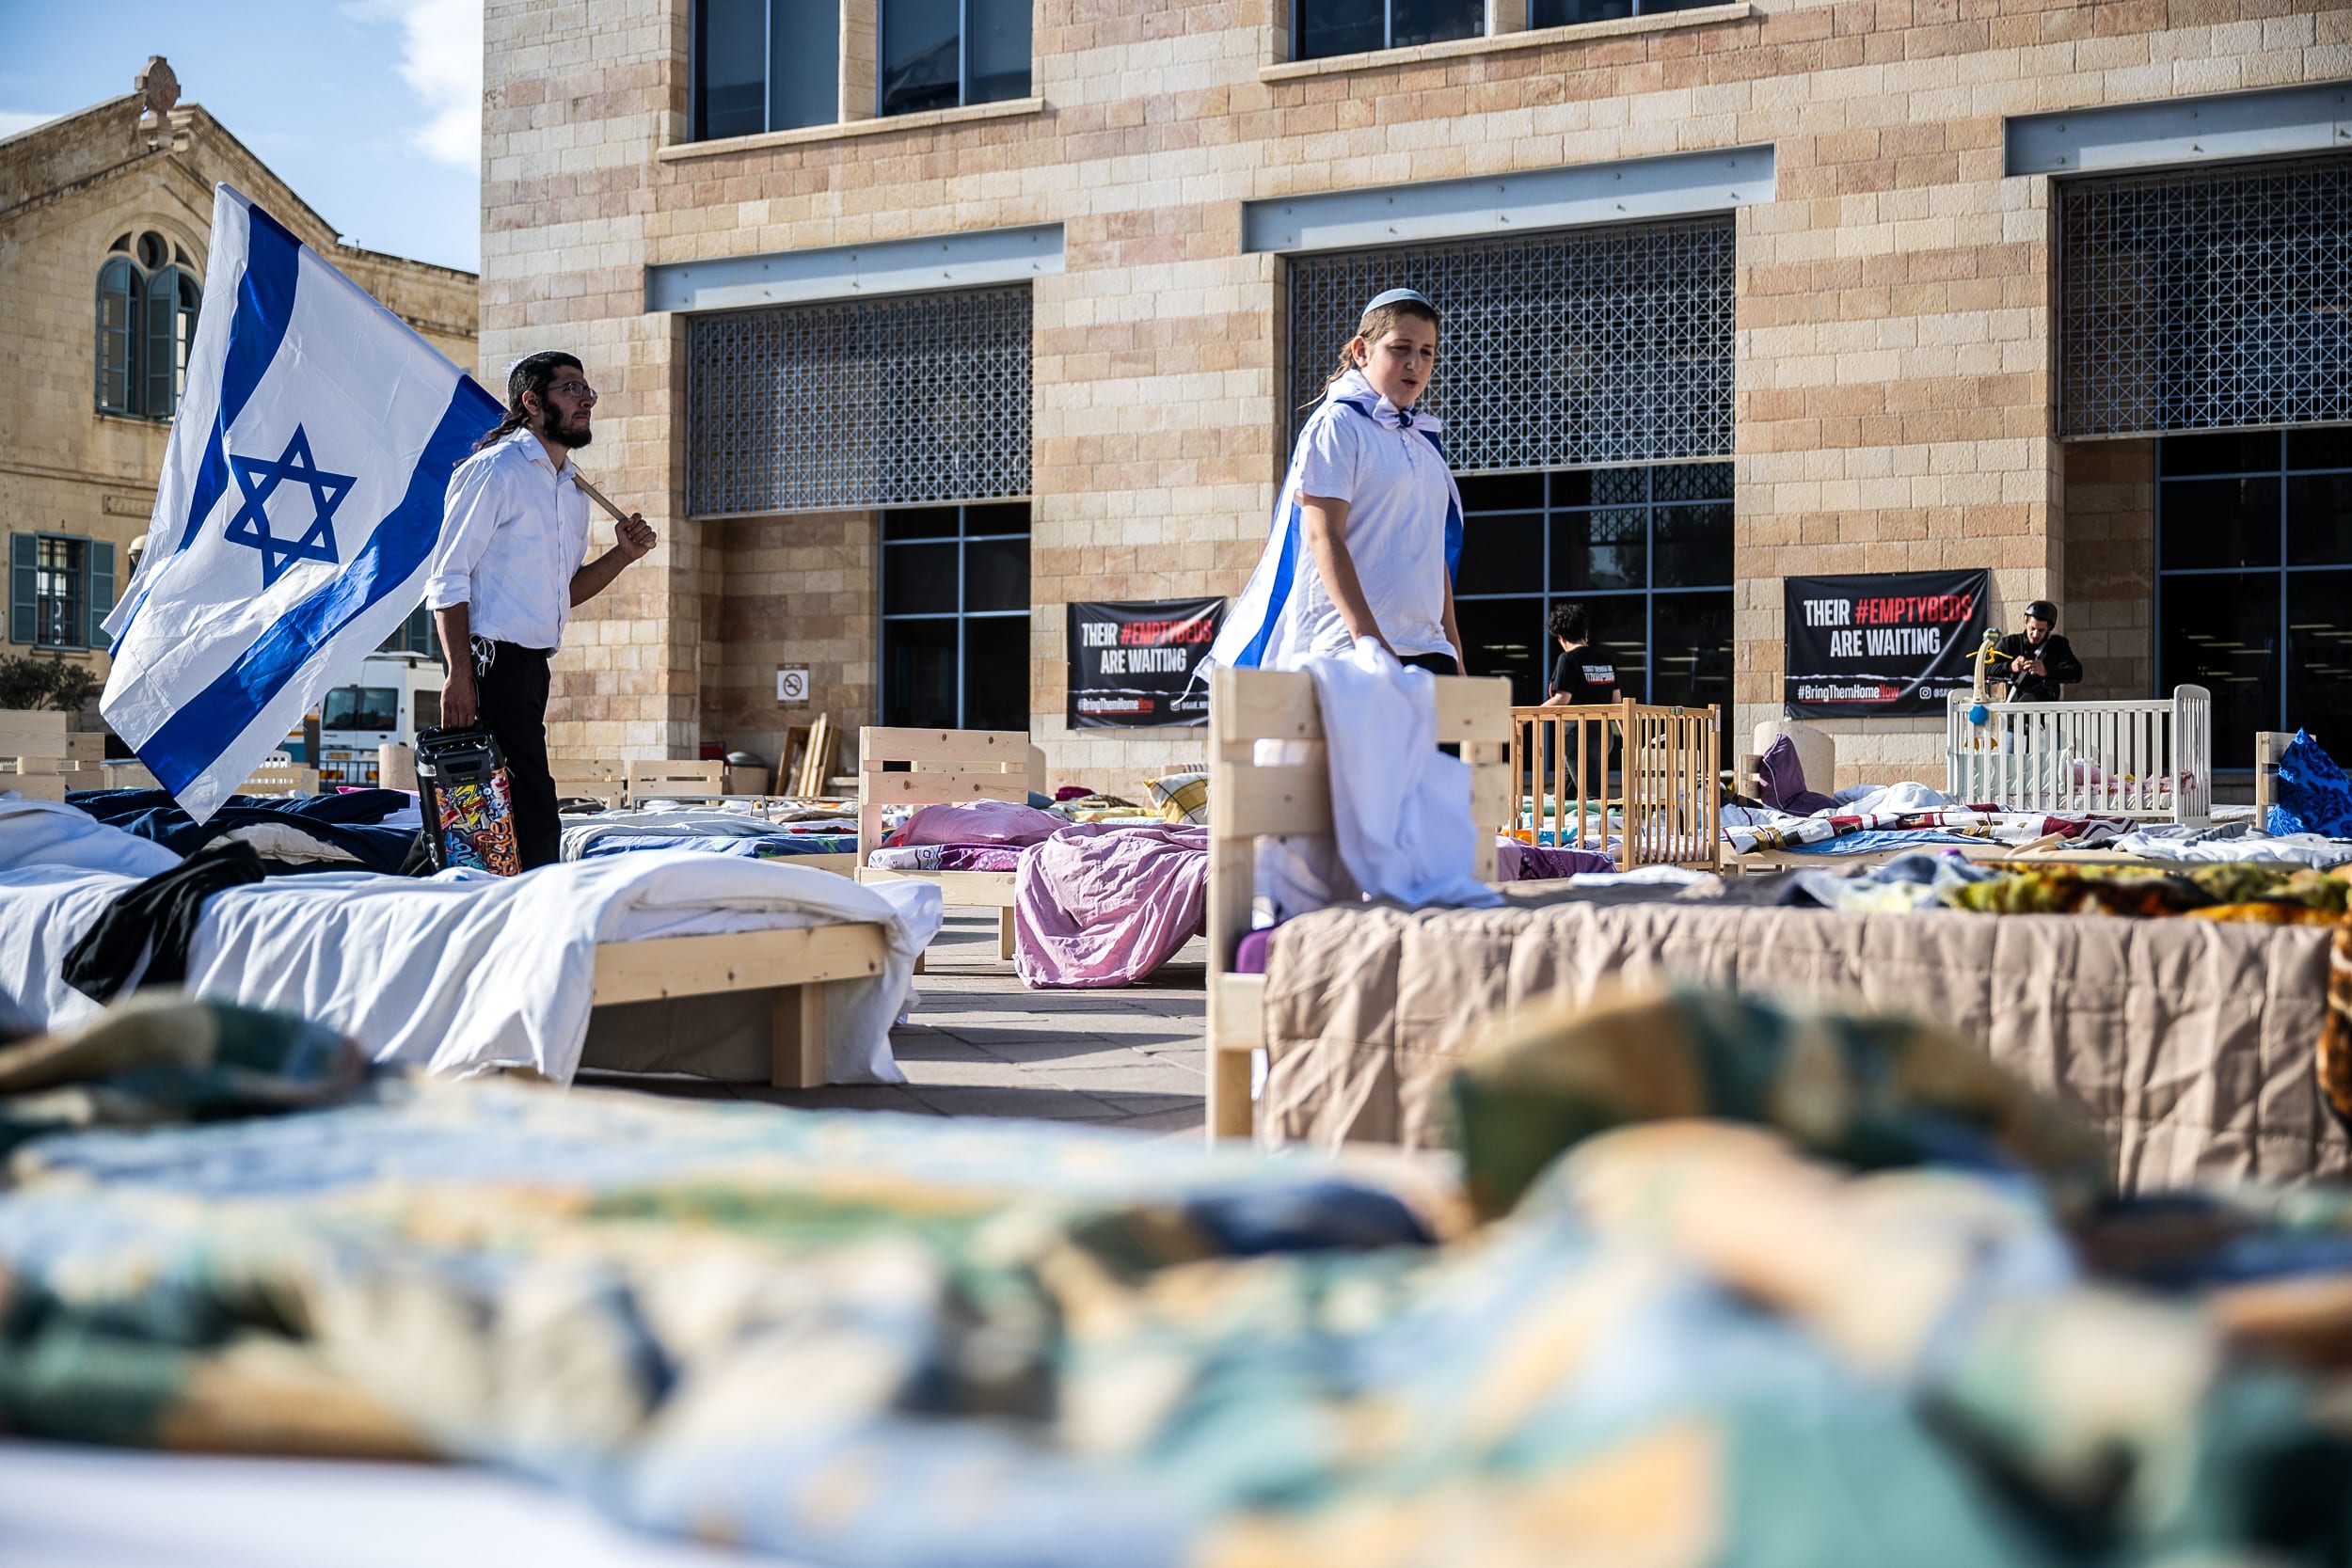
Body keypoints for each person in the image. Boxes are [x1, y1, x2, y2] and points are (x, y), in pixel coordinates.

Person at [423, 352, 658, 870]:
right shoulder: (494, 471)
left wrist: (622, 555)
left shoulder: (573, 490)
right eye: (571, 389)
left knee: (494, 815)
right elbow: (447, 577)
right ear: (531, 402)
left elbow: (563, 593)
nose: (587, 400)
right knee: (527, 814)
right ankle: (529, 904)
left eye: (588, 390)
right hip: (488, 661)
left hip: (531, 668)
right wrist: (459, 674)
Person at [1207, 287, 1465, 677]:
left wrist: (1454, 651)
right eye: (1400, 348)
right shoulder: (1338, 424)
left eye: (1427, 352)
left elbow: (1433, 556)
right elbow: (1322, 535)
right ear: (1362, 351)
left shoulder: (1424, 441)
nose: (1415, 363)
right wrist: (1369, 639)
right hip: (1348, 649)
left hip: (1428, 648)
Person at [1539, 602, 1619, 795]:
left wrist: (1531, 716)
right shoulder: (1606, 660)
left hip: (1578, 734)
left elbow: (1562, 699)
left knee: (1592, 796)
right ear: (1585, 633)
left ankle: (1600, 816)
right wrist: (1628, 737)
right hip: (1604, 734)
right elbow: (1617, 703)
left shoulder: (1568, 659)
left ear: (1560, 637)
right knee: (1566, 793)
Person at [1992, 599, 2083, 703]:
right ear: (2025, 622)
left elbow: (2076, 673)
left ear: (2049, 628)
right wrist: (2010, 666)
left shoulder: (2057, 644)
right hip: (2015, 707)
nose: (2035, 635)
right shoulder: (2010, 643)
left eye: (2041, 630)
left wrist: (2046, 671)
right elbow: (1985, 669)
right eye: (2032, 628)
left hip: (2046, 708)